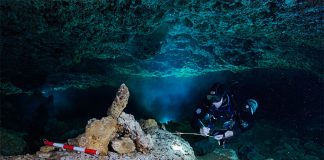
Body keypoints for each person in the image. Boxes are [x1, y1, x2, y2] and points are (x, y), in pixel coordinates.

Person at [192, 82, 258, 145]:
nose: (212, 102)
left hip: (234, 115)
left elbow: (250, 122)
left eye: (216, 99)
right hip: (220, 118)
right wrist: (200, 128)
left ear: (223, 97)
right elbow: (194, 118)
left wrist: (232, 132)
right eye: (210, 97)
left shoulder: (237, 102)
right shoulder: (207, 103)